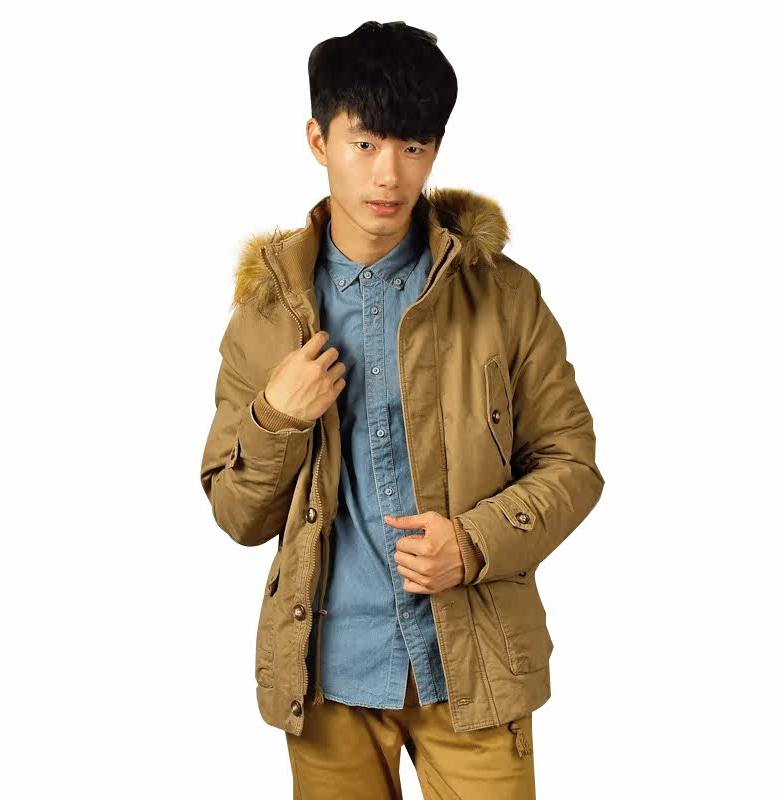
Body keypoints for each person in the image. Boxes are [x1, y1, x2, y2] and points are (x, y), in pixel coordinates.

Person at [200, 20, 605, 800]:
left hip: (473, 669)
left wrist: (476, 542)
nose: (389, 174)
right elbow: (238, 515)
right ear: (318, 140)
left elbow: (572, 463)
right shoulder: (267, 313)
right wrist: (275, 419)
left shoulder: (503, 295)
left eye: (413, 146)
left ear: (435, 149)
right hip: (328, 681)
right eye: (364, 144)